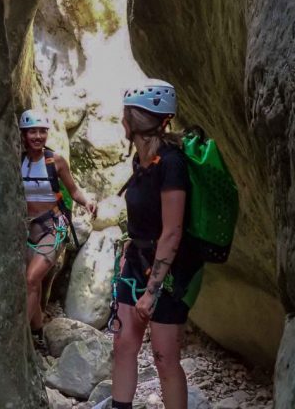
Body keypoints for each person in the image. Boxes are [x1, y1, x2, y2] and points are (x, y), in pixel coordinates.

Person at [110, 80, 204, 409]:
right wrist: (128, 249)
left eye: (125, 115)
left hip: (172, 267)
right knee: (123, 344)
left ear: (136, 120)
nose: (122, 121)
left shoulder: (172, 164)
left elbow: (172, 232)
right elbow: (143, 218)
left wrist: (152, 290)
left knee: (164, 357)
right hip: (137, 259)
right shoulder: (141, 161)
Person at [19, 109, 96, 351]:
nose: (38, 136)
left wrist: (87, 202)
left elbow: (73, 190)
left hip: (54, 227)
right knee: (35, 282)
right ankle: (37, 331)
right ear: (24, 134)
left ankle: (17, 338)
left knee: (31, 279)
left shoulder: (55, 161)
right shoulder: (17, 161)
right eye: (33, 131)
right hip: (28, 230)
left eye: (42, 131)